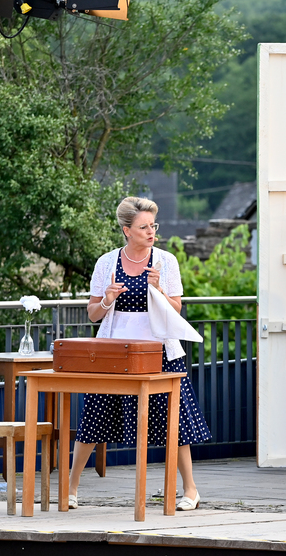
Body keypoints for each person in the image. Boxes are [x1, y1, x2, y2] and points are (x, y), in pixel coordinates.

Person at [67, 197, 211, 510]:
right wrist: (107, 299)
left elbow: (176, 309)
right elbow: (93, 314)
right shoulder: (107, 263)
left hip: (159, 352)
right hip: (114, 354)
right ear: (126, 230)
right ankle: (71, 488)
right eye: (144, 227)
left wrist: (158, 290)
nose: (151, 232)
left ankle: (190, 490)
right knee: (93, 418)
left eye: (153, 226)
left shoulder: (166, 261)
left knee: (174, 422)